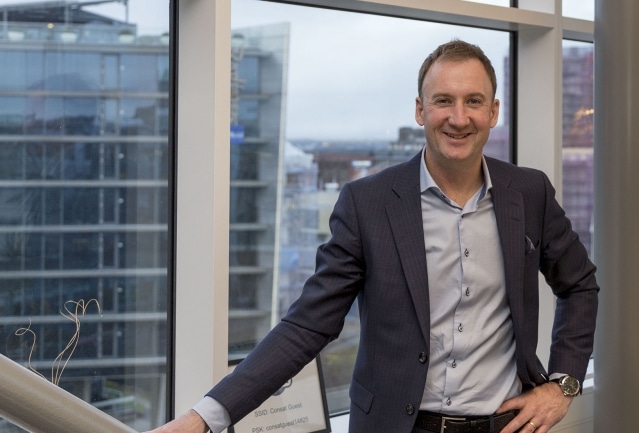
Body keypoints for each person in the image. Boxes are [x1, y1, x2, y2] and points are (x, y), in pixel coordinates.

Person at [148, 39, 599, 433]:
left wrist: (563, 385)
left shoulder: (530, 192)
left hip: (506, 424)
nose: (458, 118)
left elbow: (580, 285)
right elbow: (308, 323)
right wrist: (204, 418)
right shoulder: (367, 203)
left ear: (493, 112)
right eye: (443, 100)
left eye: (473, 101)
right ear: (420, 110)